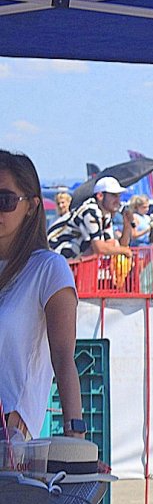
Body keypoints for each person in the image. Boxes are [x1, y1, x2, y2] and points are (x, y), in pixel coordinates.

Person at [0, 150, 86, 442]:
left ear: (31, 206)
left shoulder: (48, 269)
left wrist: (75, 437)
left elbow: (63, 358)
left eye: (5, 200)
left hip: (9, 435)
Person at [47, 176, 133, 259]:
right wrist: (124, 251)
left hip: (69, 257)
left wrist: (127, 225)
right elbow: (99, 248)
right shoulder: (90, 211)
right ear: (100, 196)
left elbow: (114, 245)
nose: (118, 200)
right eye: (114, 195)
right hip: (55, 253)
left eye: (119, 196)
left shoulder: (106, 214)